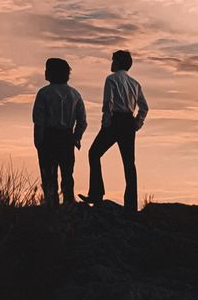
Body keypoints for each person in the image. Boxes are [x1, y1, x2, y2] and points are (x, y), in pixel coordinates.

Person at [79, 50, 148, 213]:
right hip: (128, 122)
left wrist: (106, 123)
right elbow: (144, 107)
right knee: (129, 163)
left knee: (94, 153)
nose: (111, 63)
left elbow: (108, 103)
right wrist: (137, 123)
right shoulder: (135, 83)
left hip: (115, 121)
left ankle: (96, 193)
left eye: (113, 60)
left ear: (117, 63)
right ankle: (131, 205)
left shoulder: (111, 79)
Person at [33, 58, 87, 206]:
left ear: (52, 73)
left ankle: (51, 204)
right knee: (67, 173)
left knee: (48, 174)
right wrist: (76, 137)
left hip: (48, 136)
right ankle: (69, 202)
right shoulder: (75, 94)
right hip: (67, 137)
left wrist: (38, 141)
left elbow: (38, 121)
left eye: (47, 69)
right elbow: (82, 121)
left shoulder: (43, 93)